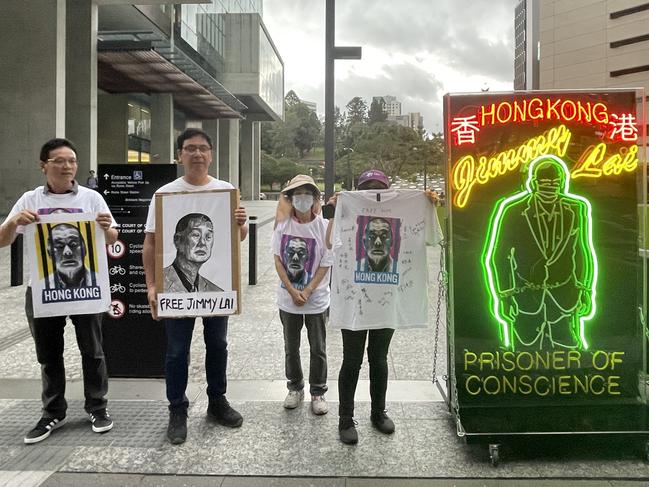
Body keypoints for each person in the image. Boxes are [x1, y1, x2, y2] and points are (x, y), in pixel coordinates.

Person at [0, 138, 118, 444]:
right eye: (60, 161)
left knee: (92, 350)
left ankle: (98, 406)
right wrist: (13, 222)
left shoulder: (92, 198)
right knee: (48, 354)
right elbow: (3, 240)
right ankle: (53, 411)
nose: (67, 166)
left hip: (87, 291)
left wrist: (107, 227)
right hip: (42, 290)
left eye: (72, 161)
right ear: (44, 166)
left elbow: (111, 238)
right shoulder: (29, 199)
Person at [143, 128, 248, 445]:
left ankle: (217, 401)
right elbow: (149, 244)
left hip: (216, 295)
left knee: (218, 345)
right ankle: (177, 409)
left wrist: (240, 224)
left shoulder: (226, 190)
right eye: (190, 148)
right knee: (177, 352)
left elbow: (237, 239)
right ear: (180, 155)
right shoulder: (165, 194)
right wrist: (151, 286)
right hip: (175, 295)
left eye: (203, 148)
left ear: (211, 154)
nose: (198, 154)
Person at [326, 168, 439, 445]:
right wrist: (335, 209)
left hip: (388, 301)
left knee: (379, 357)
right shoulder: (346, 205)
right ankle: (345, 418)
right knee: (351, 360)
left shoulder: (408, 206)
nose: (377, 241)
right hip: (356, 301)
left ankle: (378, 412)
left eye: (378, 187)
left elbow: (433, 238)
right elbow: (330, 241)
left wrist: (428, 205)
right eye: (368, 188)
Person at [484, 154, 596, 351]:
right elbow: (498, 257)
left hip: (565, 296)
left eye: (555, 182)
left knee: (568, 353)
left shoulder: (577, 208)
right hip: (525, 297)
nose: (550, 187)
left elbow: (582, 252)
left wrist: (585, 290)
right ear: (533, 182)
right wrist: (504, 296)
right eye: (544, 182)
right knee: (523, 353)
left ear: (562, 183)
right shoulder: (513, 210)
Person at [272, 175, 332, 415]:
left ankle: (318, 391)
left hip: (316, 300)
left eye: (307, 194)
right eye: (297, 195)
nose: (302, 199)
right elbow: (277, 259)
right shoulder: (282, 225)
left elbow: (326, 262)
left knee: (318, 347)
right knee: (291, 346)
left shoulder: (323, 227)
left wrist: (307, 290)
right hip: (288, 300)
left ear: (316, 199)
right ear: (291, 199)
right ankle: (295, 387)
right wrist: (292, 289)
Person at [163, 213, 223, 293]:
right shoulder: (159, 281)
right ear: (178, 240)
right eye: (196, 235)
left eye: (208, 237)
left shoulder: (217, 293)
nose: (202, 243)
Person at [46, 223, 95, 289]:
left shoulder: (101, 281)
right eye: (59, 246)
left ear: (85, 249)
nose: (67, 252)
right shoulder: (40, 286)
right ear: (49, 253)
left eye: (73, 244)